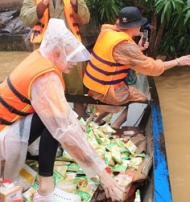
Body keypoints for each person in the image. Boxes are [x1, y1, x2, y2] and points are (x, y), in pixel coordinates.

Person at [0, 19, 119, 202]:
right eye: (71, 56)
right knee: (55, 122)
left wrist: (73, 121)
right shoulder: (46, 76)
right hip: (4, 138)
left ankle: (35, 160)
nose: (74, 63)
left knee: (60, 118)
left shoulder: (40, 56)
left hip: (7, 127)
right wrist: (102, 173)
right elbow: (62, 125)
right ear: (57, 51)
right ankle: (46, 190)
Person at [83, 6, 190, 128]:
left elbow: (118, 56)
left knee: (126, 93)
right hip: (106, 91)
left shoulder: (108, 32)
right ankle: (115, 126)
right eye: (139, 24)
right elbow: (151, 68)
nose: (141, 27)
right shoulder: (125, 46)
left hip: (93, 85)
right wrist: (178, 61)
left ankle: (97, 121)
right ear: (132, 26)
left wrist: (138, 49)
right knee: (141, 99)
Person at [20, 0, 90, 119]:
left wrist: (75, 3)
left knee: (76, 89)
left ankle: (79, 124)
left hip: (70, 48)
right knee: (45, 88)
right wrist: (44, 3)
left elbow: (85, 18)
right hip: (45, 50)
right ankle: (49, 124)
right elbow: (26, 19)